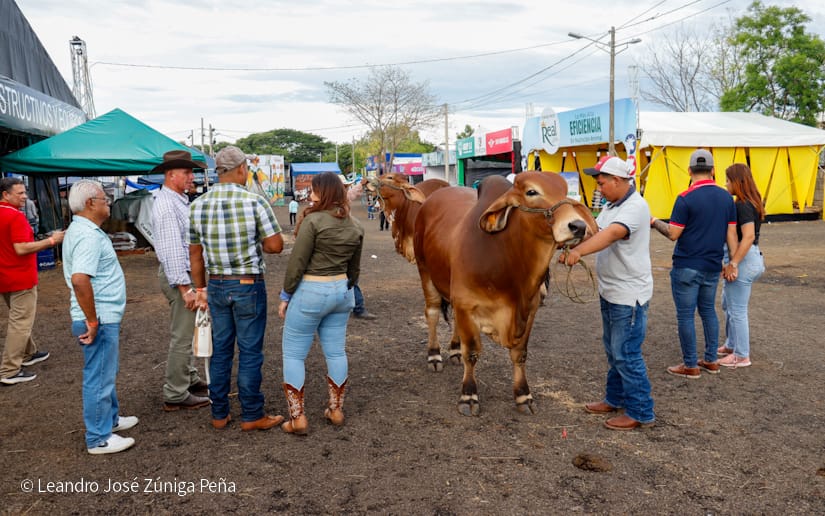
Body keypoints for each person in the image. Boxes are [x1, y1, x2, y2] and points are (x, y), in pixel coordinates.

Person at [189, 145, 286, 431]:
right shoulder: (254, 202)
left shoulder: (197, 205)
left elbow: (195, 255)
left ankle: (219, 413)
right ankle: (252, 414)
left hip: (216, 284)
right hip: (247, 283)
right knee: (250, 351)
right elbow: (275, 246)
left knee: (221, 351)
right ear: (242, 168)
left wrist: (200, 289)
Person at [563, 156, 655, 431]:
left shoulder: (636, 207)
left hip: (629, 295)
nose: (599, 188)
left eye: (602, 183)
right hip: (612, 291)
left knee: (625, 352)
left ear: (618, 180)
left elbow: (612, 233)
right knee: (614, 350)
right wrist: (565, 243)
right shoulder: (612, 204)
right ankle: (614, 398)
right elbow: (596, 230)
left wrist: (578, 251)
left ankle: (641, 412)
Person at [278, 171, 364, 435]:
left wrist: (285, 295)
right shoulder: (356, 225)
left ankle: (298, 418)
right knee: (336, 352)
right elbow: (355, 270)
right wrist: (345, 289)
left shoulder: (313, 221)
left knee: (294, 354)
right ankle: (336, 410)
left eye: (314, 189)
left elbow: (297, 263)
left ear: (322, 192)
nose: (310, 193)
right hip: (342, 291)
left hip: (311, 290)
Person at [63, 179, 138, 454]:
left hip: (101, 315)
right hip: (99, 318)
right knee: (99, 375)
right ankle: (98, 437)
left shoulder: (83, 230)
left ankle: (111, 420)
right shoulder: (88, 235)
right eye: (105, 199)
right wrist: (92, 320)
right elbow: (80, 278)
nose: (108, 203)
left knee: (106, 369)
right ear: (90, 203)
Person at [651, 149, 738, 379]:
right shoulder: (726, 198)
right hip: (712, 265)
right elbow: (731, 234)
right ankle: (711, 360)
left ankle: (690, 364)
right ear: (712, 171)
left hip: (687, 265)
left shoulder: (685, 198)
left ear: (689, 171)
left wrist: (654, 222)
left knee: (686, 315)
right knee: (709, 311)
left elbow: (673, 234)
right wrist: (732, 263)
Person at [150, 150, 210, 412]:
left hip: (182, 276)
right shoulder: (167, 204)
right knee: (183, 336)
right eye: (186, 172)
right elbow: (173, 249)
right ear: (170, 174)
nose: (190, 177)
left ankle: (188, 378)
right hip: (180, 277)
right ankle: (175, 392)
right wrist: (185, 287)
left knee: (187, 331)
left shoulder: (174, 200)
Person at [1, 178, 63, 385]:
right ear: (5, 195)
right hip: (20, 277)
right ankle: (9, 370)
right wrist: (52, 240)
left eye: (24, 192)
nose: (25, 196)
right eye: (19, 193)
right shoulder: (14, 216)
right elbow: (21, 248)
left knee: (19, 318)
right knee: (20, 323)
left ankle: (29, 353)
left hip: (5, 276)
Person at [718, 163, 765, 368]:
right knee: (728, 302)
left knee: (737, 309)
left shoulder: (742, 205)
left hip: (744, 260)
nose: (726, 183)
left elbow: (748, 237)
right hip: (751, 258)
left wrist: (733, 263)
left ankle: (741, 355)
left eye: (728, 180)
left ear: (737, 182)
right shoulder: (752, 202)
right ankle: (732, 345)